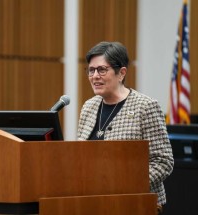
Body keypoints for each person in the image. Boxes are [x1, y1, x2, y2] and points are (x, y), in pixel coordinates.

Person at [77, 41, 174, 212]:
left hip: (136, 203)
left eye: (102, 70)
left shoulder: (145, 106)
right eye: (91, 70)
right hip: (93, 201)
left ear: (121, 73)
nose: (95, 76)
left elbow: (163, 161)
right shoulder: (88, 107)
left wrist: (126, 184)